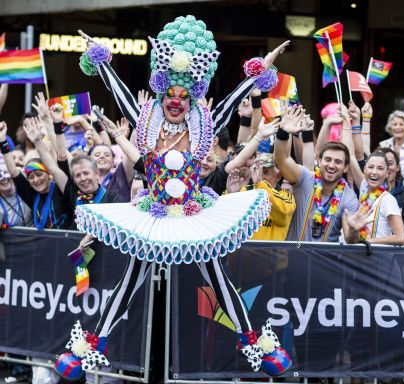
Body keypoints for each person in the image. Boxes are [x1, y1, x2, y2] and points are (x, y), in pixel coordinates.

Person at [54, 17, 292, 380]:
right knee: (132, 278)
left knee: (217, 277)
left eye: (184, 97)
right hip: (154, 213)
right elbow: (118, 91)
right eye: (171, 96)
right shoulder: (147, 119)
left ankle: (255, 341)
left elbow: (234, 97)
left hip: (196, 213)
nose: (176, 102)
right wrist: (99, 58)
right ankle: (92, 343)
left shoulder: (203, 124)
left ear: (191, 97)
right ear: (162, 93)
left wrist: (266, 65)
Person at [274, 106, 359, 242]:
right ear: (319, 160)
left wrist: (354, 229)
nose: (331, 165)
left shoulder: (349, 198)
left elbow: (350, 239)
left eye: (338, 162)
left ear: (345, 167)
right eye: (327, 159)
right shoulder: (304, 178)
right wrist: (283, 133)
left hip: (324, 262)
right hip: (294, 260)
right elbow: (282, 160)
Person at [1, 122, 71, 230]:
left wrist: (39, 140)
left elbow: (62, 157)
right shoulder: (32, 195)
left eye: (39, 174)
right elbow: (14, 172)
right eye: (31, 177)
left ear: (48, 174)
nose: (36, 180)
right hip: (43, 245)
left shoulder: (60, 189)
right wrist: (3, 141)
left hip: (67, 244)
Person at [227, 152, 295, 241]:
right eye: (257, 171)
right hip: (241, 253)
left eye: (266, 172)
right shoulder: (243, 191)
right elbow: (226, 221)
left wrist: (261, 185)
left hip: (270, 254)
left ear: (278, 176)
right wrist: (232, 195)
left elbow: (283, 214)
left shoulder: (286, 196)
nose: (260, 176)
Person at [342, 150, 404, 245]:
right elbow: (351, 154)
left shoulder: (388, 199)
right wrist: (353, 229)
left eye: (380, 168)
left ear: (387, 174)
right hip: (361, 257)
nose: (374, 172)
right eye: (371, 167)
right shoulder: (364, 190)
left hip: (378, 258)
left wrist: (368, 242)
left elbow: (401, 238)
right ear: (364, 169)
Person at [378, 147, 404, 244]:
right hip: (369, 252)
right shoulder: (367, 192)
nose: (386, 168)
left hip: (397, 254)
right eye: (382, 164)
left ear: (397, 167)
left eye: (390, 163)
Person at [378, 110, 404, 189]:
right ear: (390, 128)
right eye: (395, 124)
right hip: (386, 188)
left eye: (401, 124)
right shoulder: (383, 145)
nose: (398, 127)